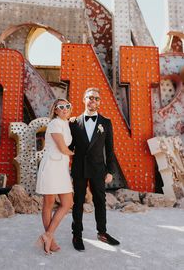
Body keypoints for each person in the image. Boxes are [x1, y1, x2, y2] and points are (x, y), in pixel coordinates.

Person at [69, 87, 120, 251]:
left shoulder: (106, 122)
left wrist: (111, 171)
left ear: (100, 102)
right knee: (78, 202)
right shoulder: (73, 122)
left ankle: (102, 233)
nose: (93, 101)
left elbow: (110, 149)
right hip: (79, 168)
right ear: (84, 100)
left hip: (99, 169)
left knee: (100, 201)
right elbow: (69, 147)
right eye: (90, 97)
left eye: (97, 98)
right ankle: (77, 234)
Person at [36, 98, 74, 255]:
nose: (65, 109)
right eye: (61, 107)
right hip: (52, 166)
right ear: (55, 110)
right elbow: (63, 148)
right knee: (49, 202)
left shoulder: (66, 123)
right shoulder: (54, 124)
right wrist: (79, 155)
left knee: (67, 202)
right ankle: (50, 239)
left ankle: (48, 235)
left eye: (67, 106)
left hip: (61, 168)